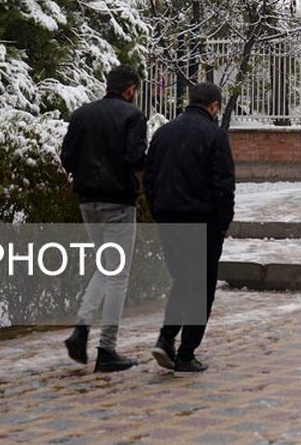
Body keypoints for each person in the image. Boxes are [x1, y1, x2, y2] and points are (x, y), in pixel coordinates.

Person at [59, 65, 147, 373]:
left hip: (88, 200)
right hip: (119, 202)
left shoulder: (82, 114)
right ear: (130, 90)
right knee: (118, 274)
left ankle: (81, 329)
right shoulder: (132, 116)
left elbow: (66, 156)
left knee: (106, 267)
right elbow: (134, 158)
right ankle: (107, 349)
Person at [144, 81, 235, 373]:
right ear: (214, 106)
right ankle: (184, 351)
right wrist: (222, 223)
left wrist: (158, 209)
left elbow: (150, 178)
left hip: (169, 217)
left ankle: (166, 338)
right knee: (201, 286)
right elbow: (223, 185)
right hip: (202, 220)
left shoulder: (163, 133)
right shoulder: (215, 136)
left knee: (183, 280)